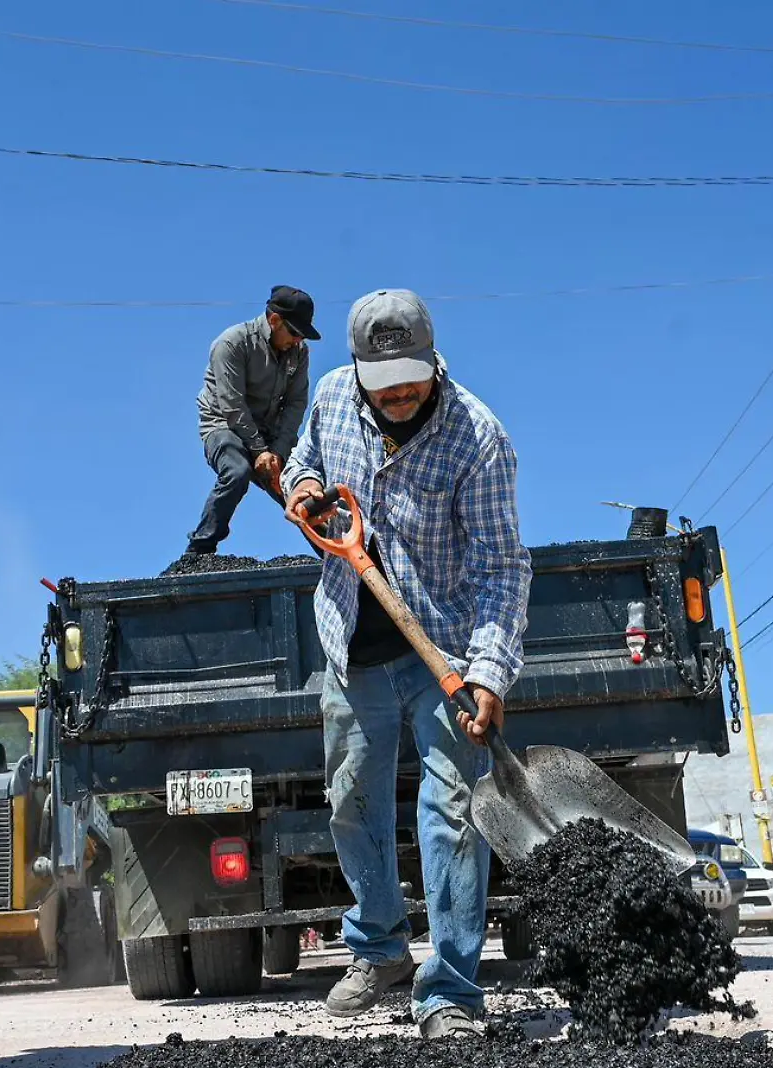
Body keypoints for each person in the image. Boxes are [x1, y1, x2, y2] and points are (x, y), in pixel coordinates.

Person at [282, 289, 531, 1039]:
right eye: (381, 386)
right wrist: (300, 490)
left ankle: (450, 990)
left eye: (409, 385)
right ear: (356, 373)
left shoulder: (478, 437)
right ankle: (380, 947)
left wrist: (488, 671)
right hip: (351, 642)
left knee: (452, 811)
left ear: (432, 363)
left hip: (443, 652)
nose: (395, 398)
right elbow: (303, 462)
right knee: (351, 801)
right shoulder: (331, 397)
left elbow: (501, 568)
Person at [180, 285, 319, 563]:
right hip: (224, 425)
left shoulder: (299, 353)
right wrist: (259, 451)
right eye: (294, 332)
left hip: (270, 433)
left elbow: (295, 405)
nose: (298, 339)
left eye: (303, 334)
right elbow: (232, 405)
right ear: (274, 320)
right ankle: (200, 550)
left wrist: (278, 452)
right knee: (237, 471)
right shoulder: (231, 343)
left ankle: (334, 554)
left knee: (301, 484)